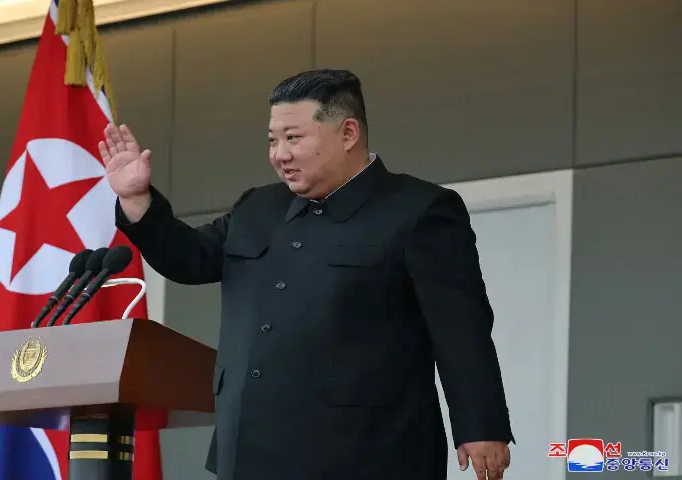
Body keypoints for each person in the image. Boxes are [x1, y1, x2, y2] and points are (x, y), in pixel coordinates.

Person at [100, 69, 514, 480]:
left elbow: (461, 328)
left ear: (348, 133)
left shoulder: (419, 210)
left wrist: (481, 425)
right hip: (250, 453)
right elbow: (188, 259)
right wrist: (136, 199)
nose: (279, 154)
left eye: (293, 138)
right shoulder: (258, 207)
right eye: (272, 140)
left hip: (367, 452)